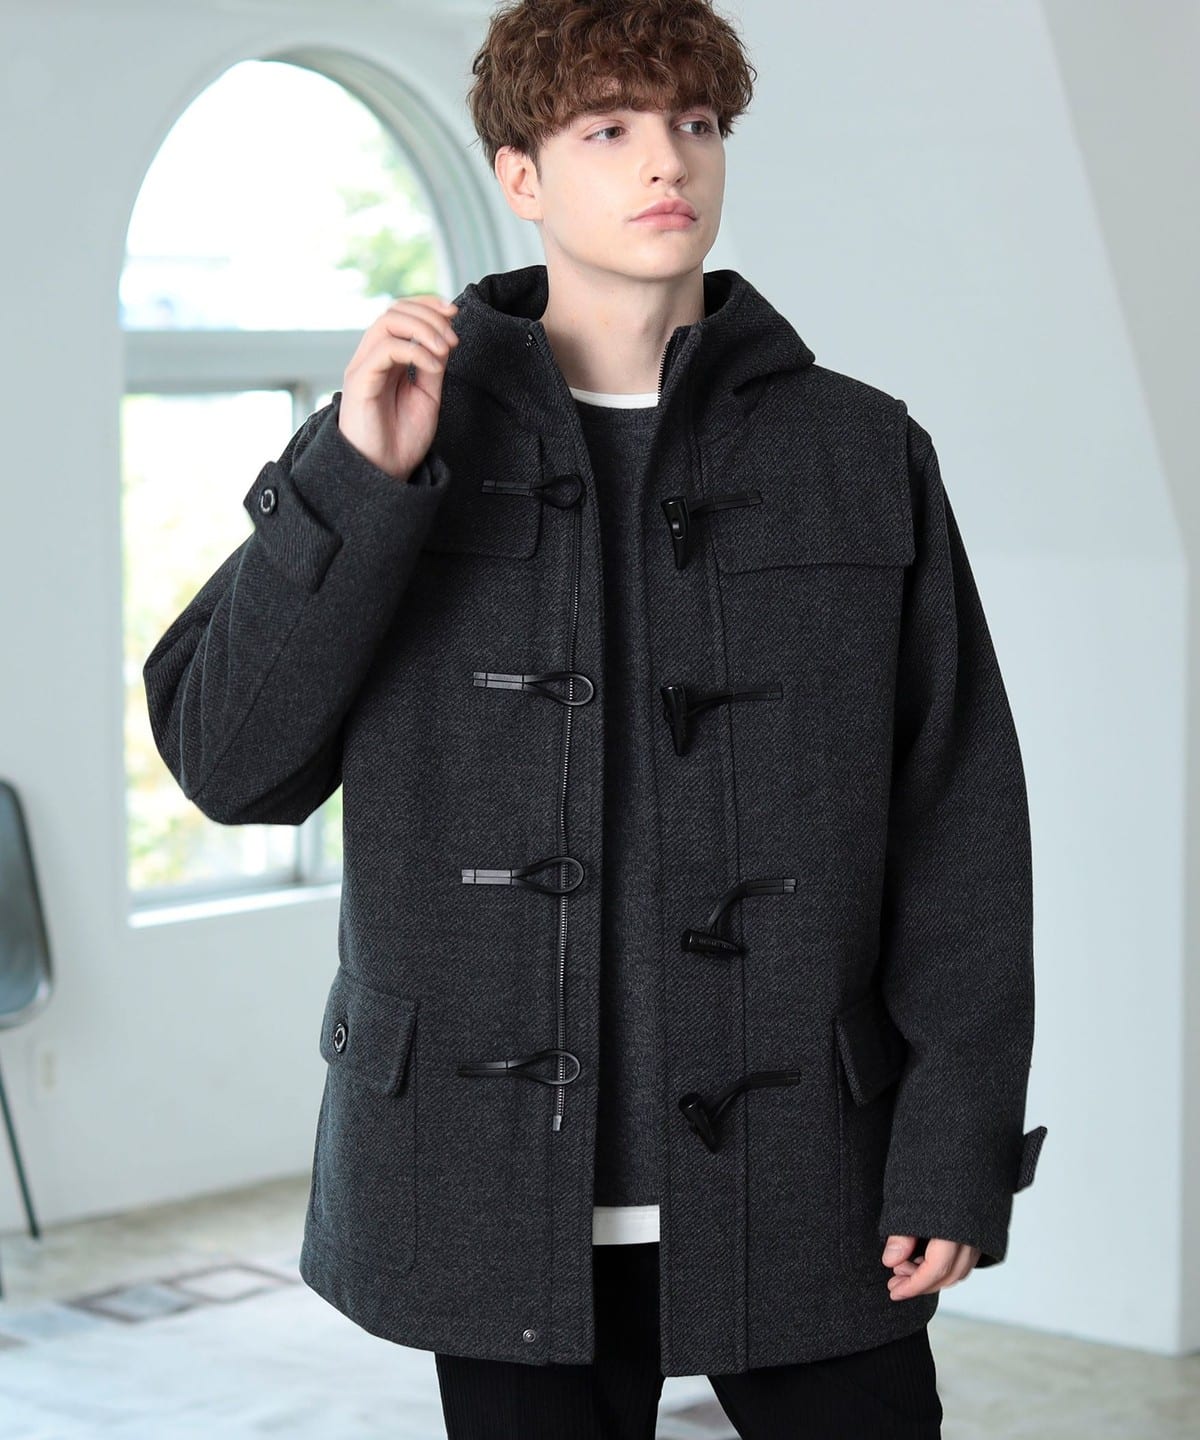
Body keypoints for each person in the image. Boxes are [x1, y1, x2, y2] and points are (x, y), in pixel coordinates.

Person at [143, 1, 1047, 1436]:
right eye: (608, 129)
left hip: (808, 1174)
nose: (665, 161)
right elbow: (226, 762)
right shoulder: (397, 437)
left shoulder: (859, 451)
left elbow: (961, 825)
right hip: (492, 1191)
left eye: (695, 123)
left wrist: (955, 1146)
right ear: (520, 174)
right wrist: (360, 485)